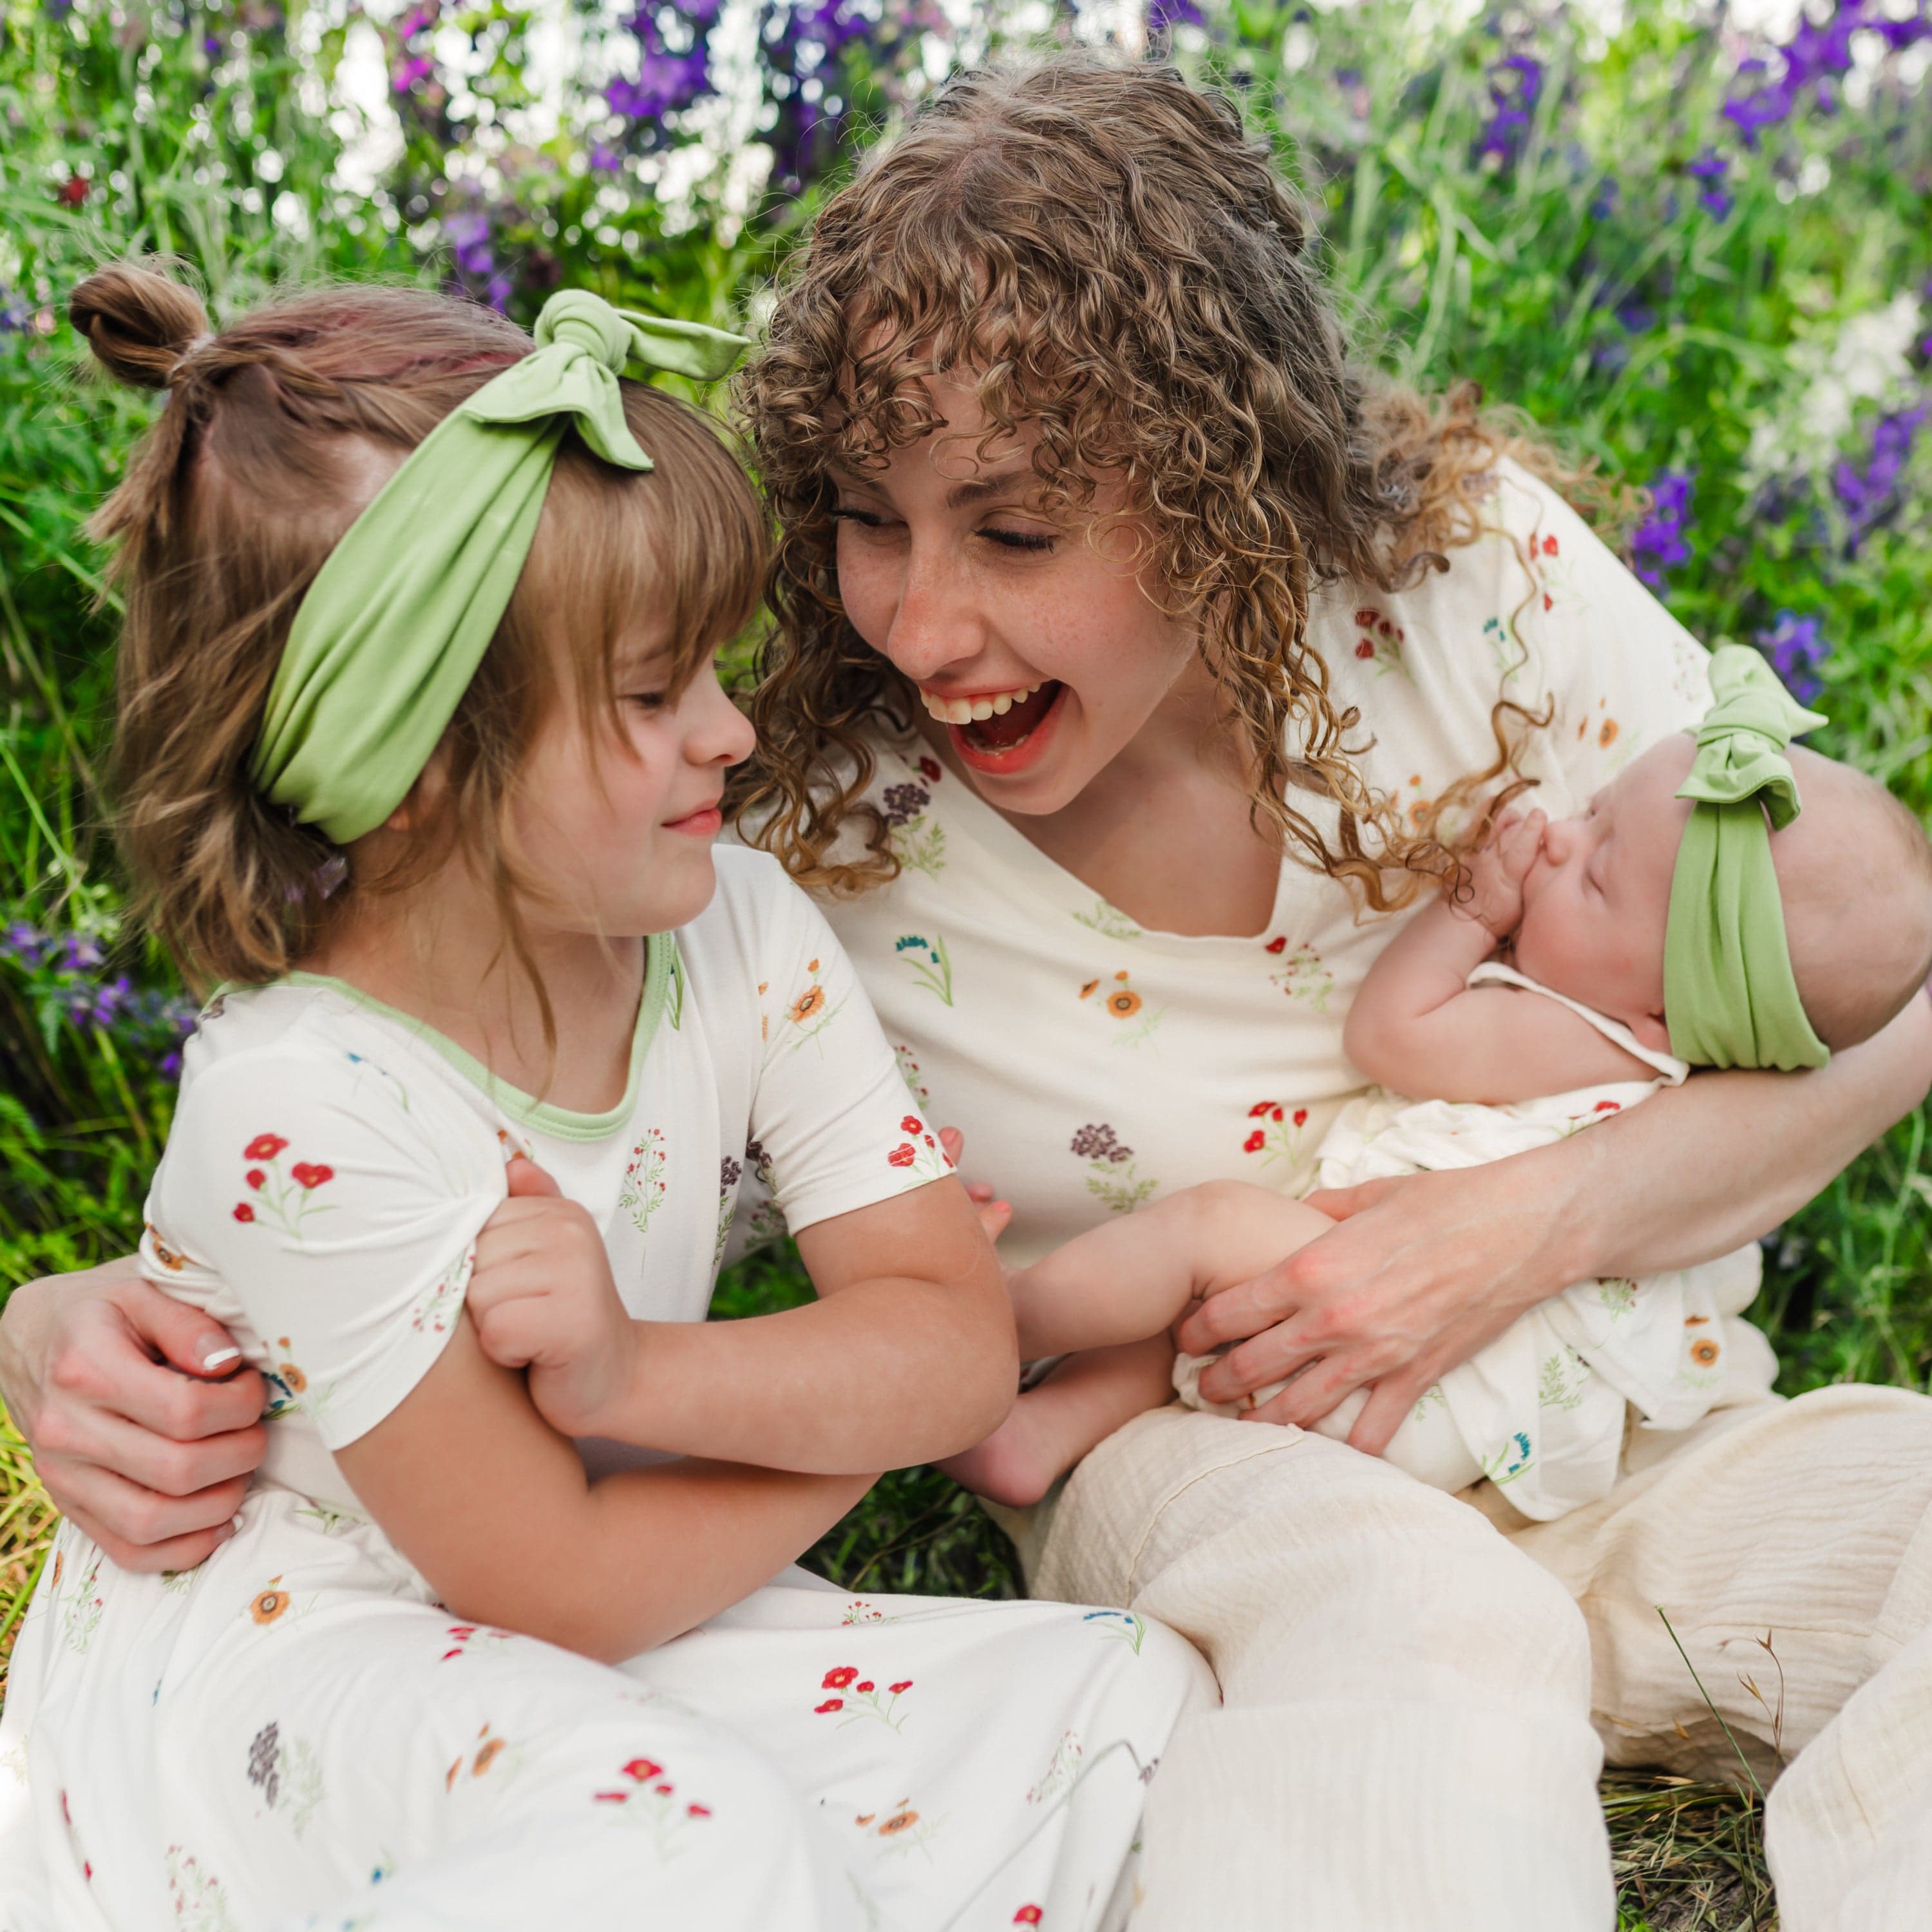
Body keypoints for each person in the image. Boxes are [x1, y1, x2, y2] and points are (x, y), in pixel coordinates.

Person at [8, 59, 1932, 1932]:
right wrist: (78, 1316)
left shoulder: (1474, 596)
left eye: (1015, 529)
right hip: (1205, 1446)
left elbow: (1887, 992)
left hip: (1619, 1409)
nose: (916, 623)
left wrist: (1496, 1232)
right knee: (1428, 1637)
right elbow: (461, 1038)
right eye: (863, 514)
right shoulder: (794, 828)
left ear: (1221, 481)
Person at [0, 263, 1206, 1932]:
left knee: (1125, 1709)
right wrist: (869, 1429)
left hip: (617, 1595)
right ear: (414, 773)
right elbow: (550, 1577)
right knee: (690, 1845)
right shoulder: (301, 1099)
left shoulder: (739, 932)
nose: (728, 731)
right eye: (652, 694)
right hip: (308, 1674)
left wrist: (653, 1372)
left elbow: (947, 1336)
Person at [934, 661, 1932, 1519]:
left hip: (1423, 1372)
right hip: (1428, 1387)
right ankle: (1029, 1440)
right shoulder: (1632, 1030)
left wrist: (1475, 905)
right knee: (1194, 1316)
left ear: (1661, 1024)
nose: (1557, 842)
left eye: (1594, 877)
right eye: (1592, 816)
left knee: (1203, 1235)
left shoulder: (1585, 1042)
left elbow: (1392, 1035)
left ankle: (976, 1324)